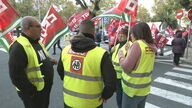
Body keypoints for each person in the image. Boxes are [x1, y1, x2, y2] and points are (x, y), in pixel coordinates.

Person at [57, 19, 116, 108]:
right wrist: (105, 95)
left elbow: (60, 71)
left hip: (69, 101)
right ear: (94, 33)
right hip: (92, 103)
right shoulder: (101, 54)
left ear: (79, 31)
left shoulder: (65, 50)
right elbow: (111, 83)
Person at [9, 16, 57, 108]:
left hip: (43, 89)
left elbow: (37, 58)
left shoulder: (37, 42)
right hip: (34, 93)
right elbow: (16, 76)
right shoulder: (18, 47)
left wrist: (49, 61)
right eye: (38, 26)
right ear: (28, 27)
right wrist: (31, 92)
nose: (41, 28)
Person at [118, 22, 157, 108]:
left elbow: (126, 67)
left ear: (137, 33)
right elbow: (140, 62)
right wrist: (129, 52)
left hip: (132, 90)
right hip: (144, 89)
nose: (131, 36)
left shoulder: (137, 44)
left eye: (132, 34)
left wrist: (120, 55)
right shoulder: (150, 46)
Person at [111, 26, 132, 108]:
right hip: (116, 76)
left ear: (127, 37)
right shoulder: (117, 45)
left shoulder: (129, 45)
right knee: (118, 95)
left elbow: (130, 61)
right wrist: (111, 51)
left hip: (123, 77)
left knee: (120, 96)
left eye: (122, 36)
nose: (119, 37)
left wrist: (129, 51)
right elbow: (112, 59)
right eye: (119, 35)